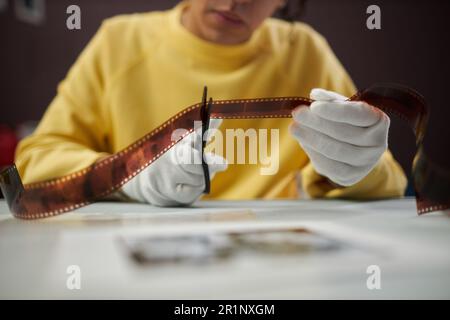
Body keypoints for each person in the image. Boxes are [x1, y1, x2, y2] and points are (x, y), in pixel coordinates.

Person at [15, 0, 407, 206]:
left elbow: (390, 180)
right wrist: (130, 176)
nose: (237, 0)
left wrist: (352, 167)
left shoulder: (306, 51)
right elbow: (35, 162)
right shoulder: (119, 42)